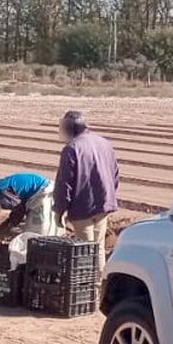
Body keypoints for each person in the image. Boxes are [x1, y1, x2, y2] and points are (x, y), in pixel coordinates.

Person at [52, 110, 119, 265]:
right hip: (103, 204)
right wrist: (109, 196)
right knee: (99, 248)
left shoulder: (71, 148)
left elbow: (64, 183)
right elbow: (114, 174)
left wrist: (59, 210)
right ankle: (98, 286)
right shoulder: (104, 143)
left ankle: (86, 287)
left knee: (85, 250)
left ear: (70, 128)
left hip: (83, 207)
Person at [0, 172, 59, 236]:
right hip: (38, 189)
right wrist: (8, 223)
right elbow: (19, 205)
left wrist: (11, 225)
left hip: (42, 191)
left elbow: (19, 208)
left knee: (37, 229)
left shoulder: (1, 194)